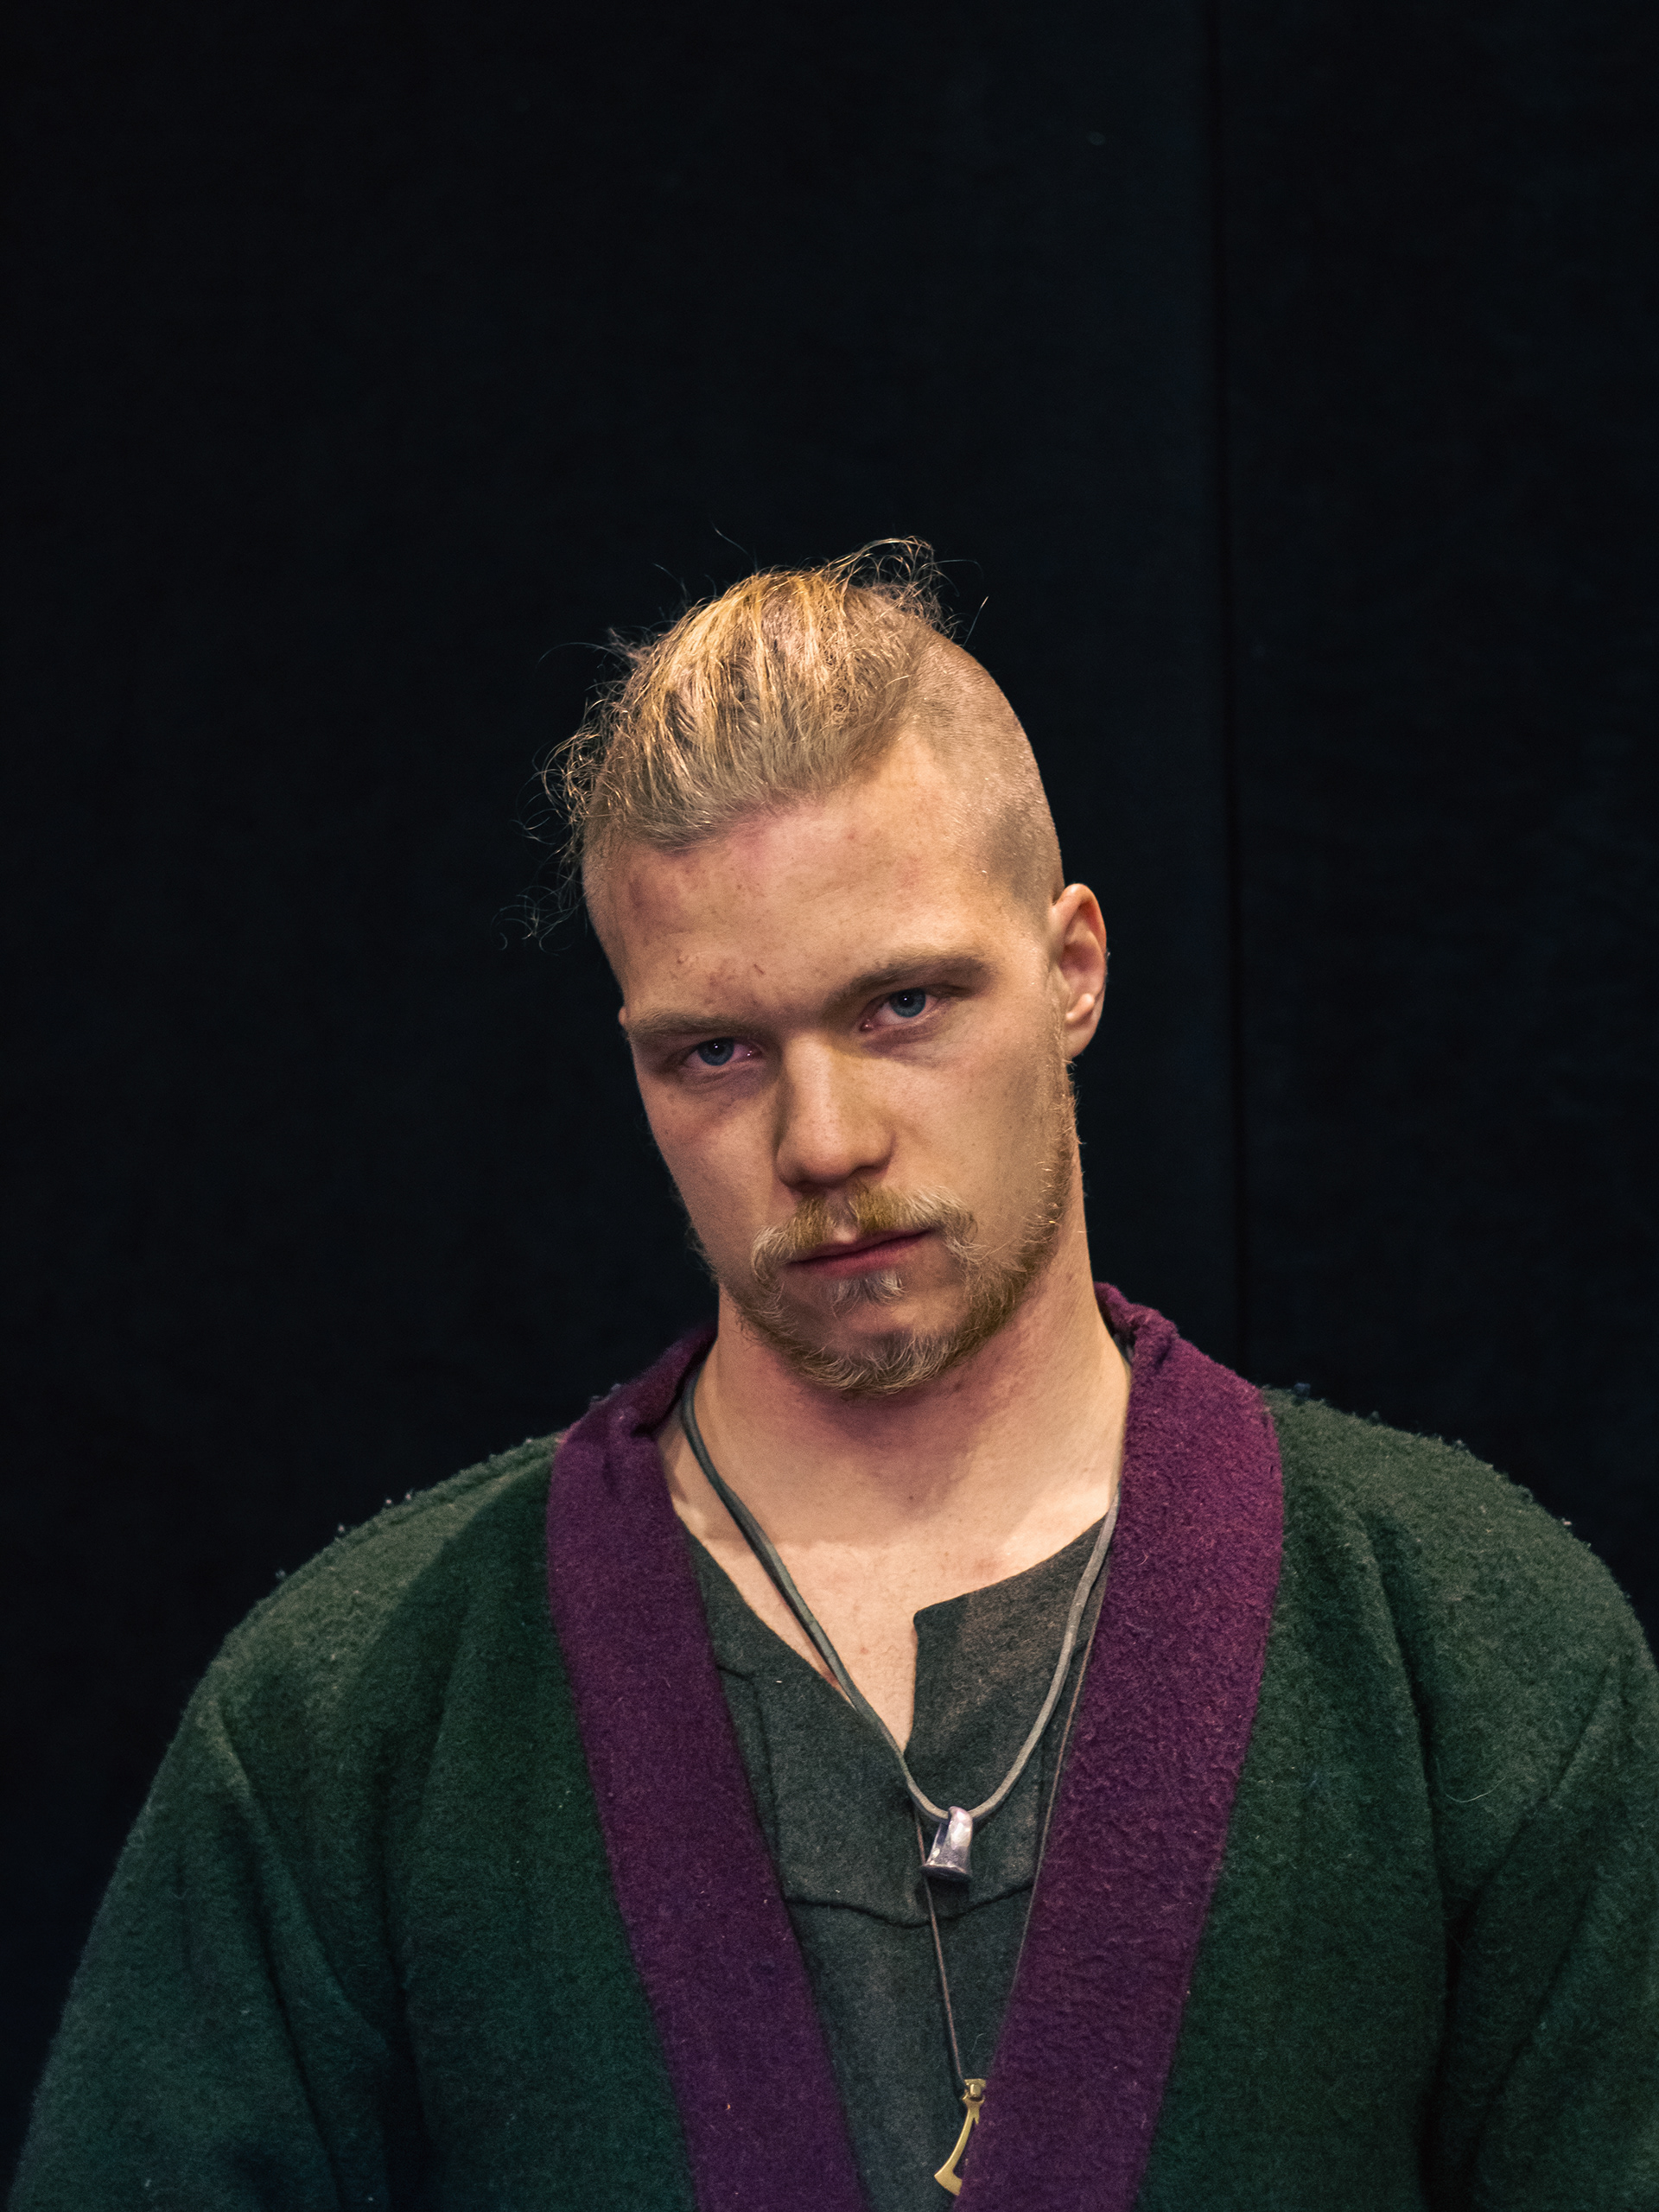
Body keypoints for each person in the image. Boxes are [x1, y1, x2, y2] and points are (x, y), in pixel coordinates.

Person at [12, 548, 1658, 2212]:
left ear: (1074, 968)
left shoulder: (1470, 1653)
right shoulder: (358, 1712)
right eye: (716, 1052)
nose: (822, 1141)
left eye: (904, 1004)